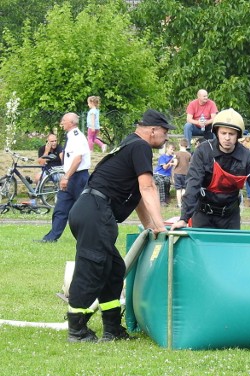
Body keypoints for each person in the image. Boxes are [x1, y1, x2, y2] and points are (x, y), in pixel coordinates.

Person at [65, 109, 173, 342]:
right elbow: (147, 188)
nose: (166, 138)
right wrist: (162, 227)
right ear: (152, 129)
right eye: (165, 132)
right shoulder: (140, 147)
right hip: (95, 211)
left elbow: (136, 197)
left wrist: (151, 226)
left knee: (113, 271)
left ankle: (112, 329)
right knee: (92, 268)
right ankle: (77, 330)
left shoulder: (129, 145)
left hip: (90, 210)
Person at [170, 108, 250, 234]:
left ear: (238, 135)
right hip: (203, 215)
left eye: (231, 134)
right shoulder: (203, 152)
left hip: (230, 217)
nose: (227, 138)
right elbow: (192, 185)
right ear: (217, 133)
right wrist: (184, 218)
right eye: (223, 133)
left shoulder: (247, 157)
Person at [38, 113, 91, 243]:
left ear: (71, 122)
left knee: (84, 209)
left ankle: (92, 236)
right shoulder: (70, 136)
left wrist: (66, 177)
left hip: (78, 177)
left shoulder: (77, 137)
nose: (62, 122)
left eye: (64, 120)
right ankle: (51, 237)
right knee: (61, 207)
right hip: (70, 176)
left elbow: (78, 159)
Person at [173, 138, 191, 208]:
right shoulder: (189, 154)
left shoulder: (176, 153)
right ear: (187, 145)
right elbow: (190, 164)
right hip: (186, 173)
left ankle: (179, 203)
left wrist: (172, 166)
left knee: (178, 189)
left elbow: (175, 163)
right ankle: (183, 203)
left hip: (177, 173)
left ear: (180, 144)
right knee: (184, 188)